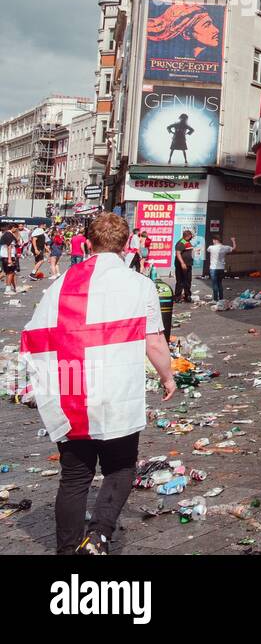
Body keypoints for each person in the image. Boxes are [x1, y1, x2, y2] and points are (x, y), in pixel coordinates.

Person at [20, 211, 176, 554]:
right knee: (120, 468)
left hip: (72, 390)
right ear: (126, 245)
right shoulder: (140, 284)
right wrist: (167, 376)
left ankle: (68, 548)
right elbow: (154, 342)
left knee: (74, 477)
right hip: (116, 390)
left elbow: (34, 336)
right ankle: (100, 536)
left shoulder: (60, 284)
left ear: (87, 243)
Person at [207, 235, 236, 301]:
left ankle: (215, 299)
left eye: (213, 240)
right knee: (219, 283)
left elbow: (208, 250)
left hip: (213, 268)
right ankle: (221, 298)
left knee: (214, 284)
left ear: (215, 240)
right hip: (221, 268)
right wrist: (233, 240)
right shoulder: (225, 247)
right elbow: (234, 248)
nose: (213, 241)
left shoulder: (211, 247)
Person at [173, 230, 195, 302]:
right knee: (180, 281)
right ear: (187, 236)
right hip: (182, 265)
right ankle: (177, 297)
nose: (192, 237)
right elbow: (178, 253)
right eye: (191, 236)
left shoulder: (187, 242)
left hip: (188, 265)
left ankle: (187, 296)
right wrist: (182, 263)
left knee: (188, 281)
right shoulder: (181, 242)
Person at [1, 222, 19, 296]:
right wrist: (9, 259)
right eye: (16, 228)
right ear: (13, 228)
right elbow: (9, 247)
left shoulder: (6, 234)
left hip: (5, 256)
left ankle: (11, 288)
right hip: (8, 256)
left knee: (9, 272)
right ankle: (7, 289)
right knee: (10, 273)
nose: (17, 230)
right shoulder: (9, 235)